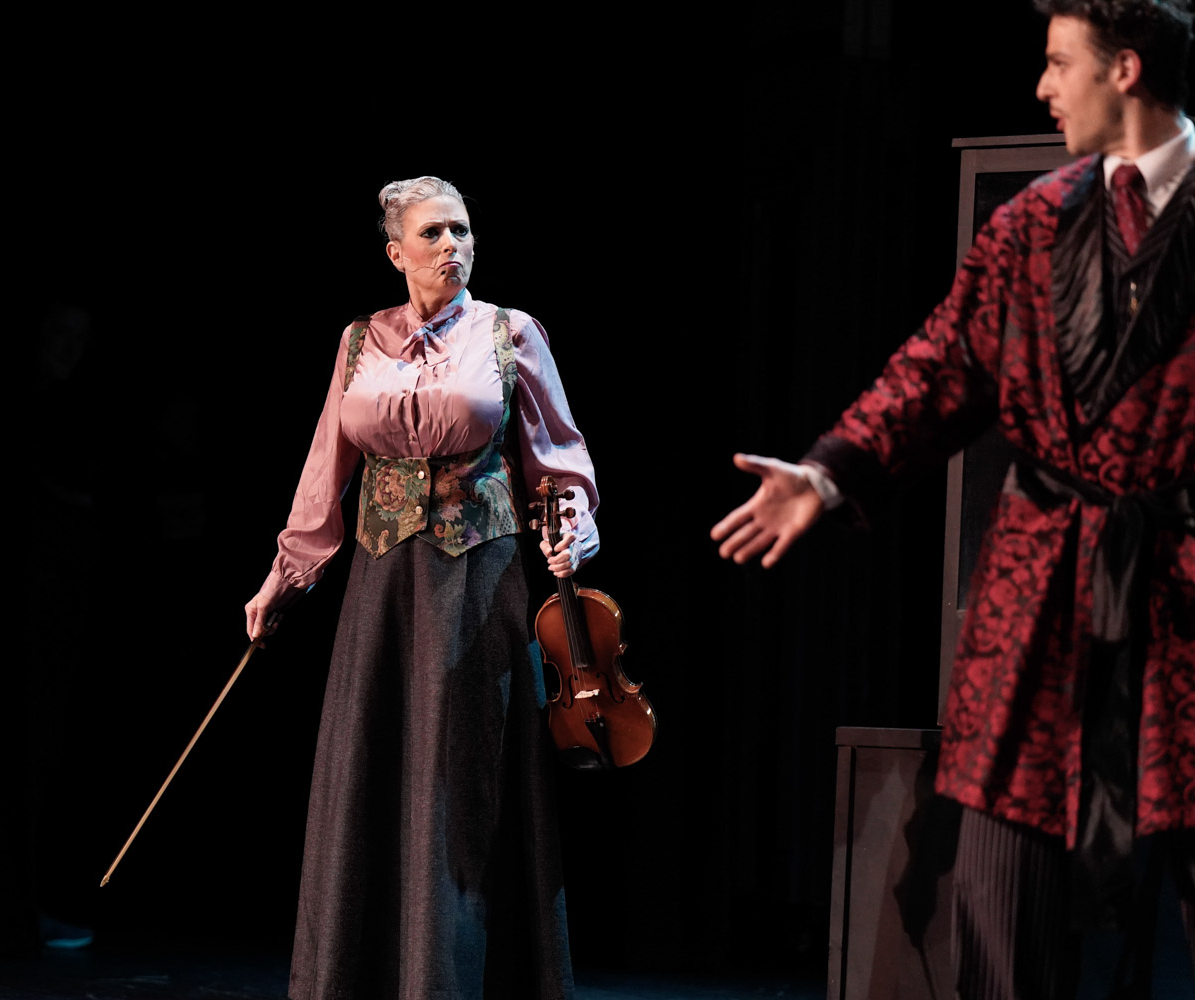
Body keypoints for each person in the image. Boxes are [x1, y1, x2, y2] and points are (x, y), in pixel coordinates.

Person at [711, 2, 1193, 997]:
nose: (1042, 87)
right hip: (1038, 592)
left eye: (1059, 64)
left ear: (1126, 69)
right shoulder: (1034, 222)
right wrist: (830, 471)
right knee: (1001, 893)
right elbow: (939, 367)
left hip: (1176, 588)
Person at [244, 176, 598, 1000]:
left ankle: (458, 976)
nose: (452, 246)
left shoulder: (510, 334)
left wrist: (573, 526)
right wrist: (284, 580)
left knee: (461, 781)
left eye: (462, 231)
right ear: (396, 252)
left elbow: (560, 458)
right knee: (375, 773)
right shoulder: (359, 340)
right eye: (433, 233)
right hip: (382, 590)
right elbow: (325, 472)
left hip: (479, 584)